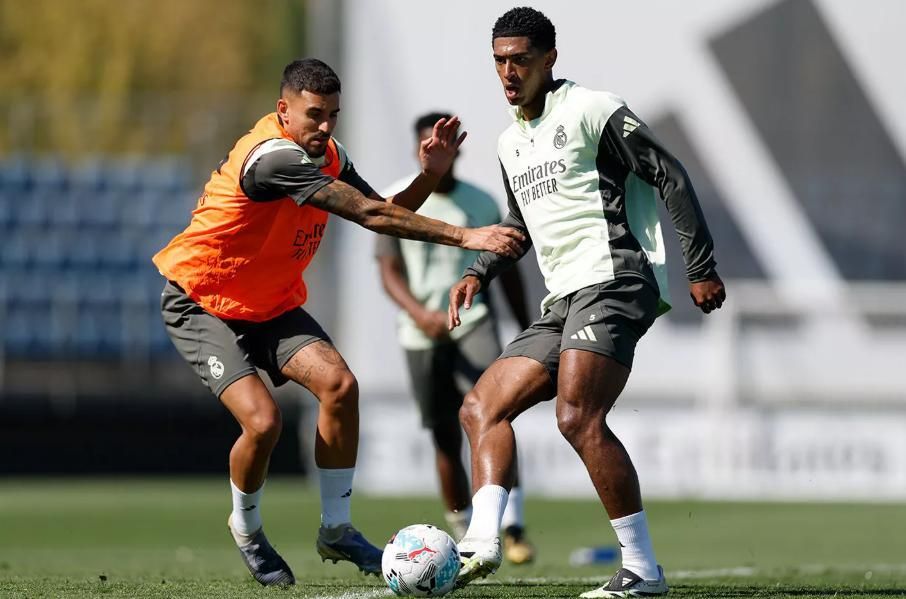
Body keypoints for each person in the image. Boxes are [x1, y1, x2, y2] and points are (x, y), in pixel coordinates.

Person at [152, 58, 524, 587]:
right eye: (314, 114)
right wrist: (468, 236)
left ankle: (337, 529)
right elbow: (371, 217)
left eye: (334, 115)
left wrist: (430, 177)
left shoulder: (326, 153)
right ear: (283, 110)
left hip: (271, 304)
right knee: (263, 423)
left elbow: (381, 209)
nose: (325, 127)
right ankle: (247, 527)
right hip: (203, 300)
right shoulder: (273, 158)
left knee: (340, 386)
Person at [448, 8, 726, 598]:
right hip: (563, 297)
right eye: (499, 60)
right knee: (480, 407)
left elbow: (670, 175)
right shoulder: (508, 142)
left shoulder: (592, 109)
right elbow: (519, 226)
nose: (508, 71)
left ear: (549, 58)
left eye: (520, 58)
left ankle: (643, 570)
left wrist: (698, 267)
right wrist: (478, 270)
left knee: (577, 417)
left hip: (617, 278)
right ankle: (480, 543)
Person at [375, 111, 535, 564]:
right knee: (444, 434)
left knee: (494, 414)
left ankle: (512, 526)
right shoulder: (396, 200)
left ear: (457, 151)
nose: (435, 153)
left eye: (443, 146)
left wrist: (526, 323)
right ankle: (464, 533)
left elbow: (506, 271)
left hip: (474, 322)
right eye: (425, 146)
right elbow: (388, 273)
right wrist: (418, 313)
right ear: (415, 150)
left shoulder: (481, 203)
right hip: (420, 331)